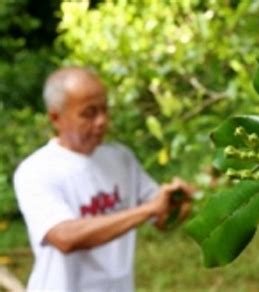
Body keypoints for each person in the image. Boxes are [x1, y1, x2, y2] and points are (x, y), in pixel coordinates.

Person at [13, 67, 194, 291]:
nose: (101, 121)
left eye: (104, 110)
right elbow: (65, 237)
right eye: (89, 113)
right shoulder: (36, 171)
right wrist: (148, 210)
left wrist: (178, 204)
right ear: (56, 117)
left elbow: (161, 219)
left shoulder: (120, 158)